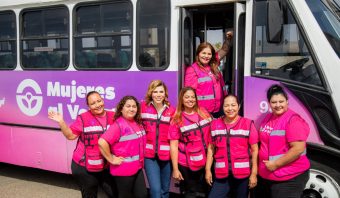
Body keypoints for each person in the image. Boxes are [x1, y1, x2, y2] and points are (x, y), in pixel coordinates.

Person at [48, 91, 116, 198]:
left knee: (115, 193)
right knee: (90, 195)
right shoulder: (83, 118)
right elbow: (70, 136)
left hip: (105, 165)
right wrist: (61, 121)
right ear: (88, 106)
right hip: (84, 167)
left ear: (103, 100)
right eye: (93, 103)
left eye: (99, 101)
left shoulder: (113, 116)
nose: (98, 105)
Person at [255, 84, 310, 198]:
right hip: (268, 176)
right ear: (269, 103)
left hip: (288, 177)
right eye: (274, 102)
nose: (278, 105)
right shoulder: (268, 118)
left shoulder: (294, 120)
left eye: (281, 101)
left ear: (287, 102)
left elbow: (298, 149)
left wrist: (275, 164)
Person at [205, 94, 259, 198]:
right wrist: (207, 170)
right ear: (222, 107)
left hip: (242, 176)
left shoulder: (247, 124)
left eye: (233, 105)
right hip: (221, 175)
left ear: (238, 106)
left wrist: (254, 174)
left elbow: (255, 150)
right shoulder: (214, 124)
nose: (230, 108)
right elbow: (211, 149)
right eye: (226, 105)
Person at [98, 96, 147, 198]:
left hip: (137, 167)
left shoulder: (137, 122)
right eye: (128, 106)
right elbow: (102, 142)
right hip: (123, 169)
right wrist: (111, 158)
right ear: (121, 109)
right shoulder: (118, 125)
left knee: (142, 195)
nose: (131, 109)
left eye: (134, 106)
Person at [169, 87, 212, 197]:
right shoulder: (177, 119)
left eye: (193, 97)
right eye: (187, 97)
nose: (190, 99)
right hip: (186, 164)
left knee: (206, 192)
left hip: (207, 160)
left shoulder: (204, 112)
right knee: (190, 194)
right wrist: (175, 169)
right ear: (182, 99)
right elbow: (173, 146)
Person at [185, 31, 233, 118]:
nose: (206, 56)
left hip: (220, 109)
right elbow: (189, 94)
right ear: (198, 54)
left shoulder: (213, 64)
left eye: (209, 54)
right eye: (203, 53)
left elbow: (224, 50)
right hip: (203, 112)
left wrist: (228, 39)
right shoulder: (192, 70)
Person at [141, 80, 176, 198]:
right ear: (150, 93)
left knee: (165, 191)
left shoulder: (172, 111)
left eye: (161, 91)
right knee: (155, 191)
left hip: (167, 156)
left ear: (165, 93)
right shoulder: (143, 107)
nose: (158, 94)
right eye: (155, 91)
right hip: (149, 156)